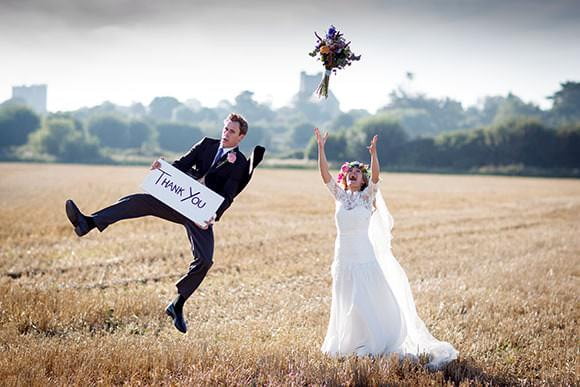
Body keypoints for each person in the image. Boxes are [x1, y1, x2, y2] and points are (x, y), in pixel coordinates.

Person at [65, 113, 264, 334]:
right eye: (225, 128)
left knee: (205, 260)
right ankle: (88, 222)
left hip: (201, 213)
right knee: (141, 201)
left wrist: (214, 216)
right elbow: (182, 164)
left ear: (241, 137)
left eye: (232, 131)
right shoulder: (206, 144)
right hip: (179, 197)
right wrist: (163, 168)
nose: (226, 134)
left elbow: (228, 195)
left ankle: (177, 304)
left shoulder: (240, 164)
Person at [314, 127, 458, 369]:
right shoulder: (339, 196)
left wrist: (373, 155)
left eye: (358, 173)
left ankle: (372, 341)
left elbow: (377, 177)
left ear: (363, 180)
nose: (352, 174)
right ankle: (350, 343)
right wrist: (321, 147)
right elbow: (324, 175)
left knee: (365, 299)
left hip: (364, 255)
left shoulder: (367, 197)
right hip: (343, 257)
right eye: (350, 171)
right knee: (346, 298)